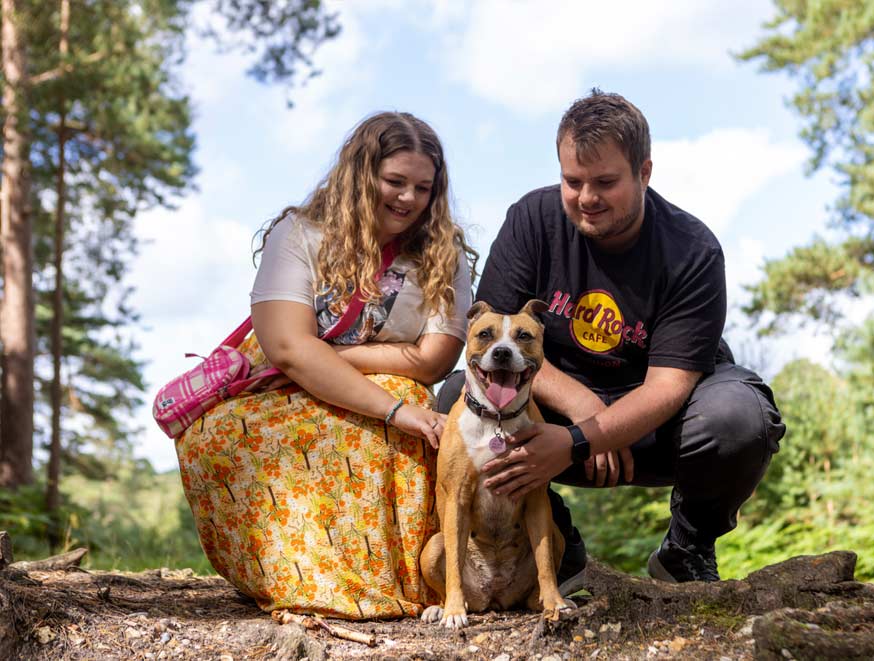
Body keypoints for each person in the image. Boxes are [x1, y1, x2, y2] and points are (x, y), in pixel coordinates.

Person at [436, 90, 785, 586]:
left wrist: (585, 437)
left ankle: (686, 547)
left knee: (738, 417)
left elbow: (668, 386)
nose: (586, 198)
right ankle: (556, 543)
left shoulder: (693, 250)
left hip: (661, 423)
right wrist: (582, 412)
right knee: (457, 399)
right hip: (551, 416)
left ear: (644, 172)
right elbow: (492, 341)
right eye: (572, 181)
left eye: (605, 182)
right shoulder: (531, 221)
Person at [175, 112, 476, 619]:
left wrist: (336, 357)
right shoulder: (299, 234)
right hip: (279, 391)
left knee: (404, 424)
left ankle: (395, 586)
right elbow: (287, 349)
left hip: (398, 392)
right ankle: (296, 580)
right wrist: (390, 405)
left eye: (423, 188)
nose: (408, 198)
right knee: (217, 438)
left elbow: (433, 359)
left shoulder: (443, 253)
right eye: (394, 182)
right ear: (361, 175)